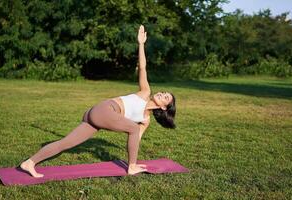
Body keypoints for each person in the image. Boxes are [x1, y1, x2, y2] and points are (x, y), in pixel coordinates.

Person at [20, 25, 176, 177]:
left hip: (95, 117)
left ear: (163, 107)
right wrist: (141, 44)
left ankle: (29, 162)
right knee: (133, 129)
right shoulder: (145, 92)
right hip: (106, 109)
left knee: (65, 143)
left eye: (166, 97)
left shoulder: (145, 120)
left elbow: (134, 141)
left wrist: (133, 152)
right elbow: (143, 68)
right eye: (163, 92)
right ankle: (132, 167)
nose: (162, 94)